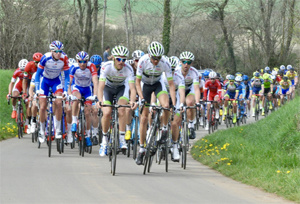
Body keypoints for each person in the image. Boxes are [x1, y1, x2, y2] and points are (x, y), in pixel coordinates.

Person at [135, 41, 176, 165]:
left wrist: (173, 102)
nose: (156, 61)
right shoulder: (142, 61)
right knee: (143, 119)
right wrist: (141, 98)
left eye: (158, 58)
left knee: (166, 105)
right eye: (154, 58)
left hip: (158, 84)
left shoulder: (165, 63)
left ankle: (163, 129)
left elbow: (171, 84)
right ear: (149, 55)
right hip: (145, 86)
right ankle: (141, 149)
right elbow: (137, 82)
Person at [97, 45, 137, 156]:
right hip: (107, 89)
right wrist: (100, 100)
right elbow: (100, 87)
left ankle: (121, 138)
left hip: (121, 89)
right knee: (107, 112)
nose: (121, 62)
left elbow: (132, 89)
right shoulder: (106, 67)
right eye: (119, 59)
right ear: (113, 58)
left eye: (124, 59)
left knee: (122, 109)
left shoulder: (128, 69)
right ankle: (104, 141)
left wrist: (132, 101)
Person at [35, 40, 70, 143]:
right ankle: (41, 130)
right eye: (56, 51)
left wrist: (65, 91)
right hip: (44, 81)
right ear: (51, 51)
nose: (58, 53)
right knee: (42, 106)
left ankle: (58, 130)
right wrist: (37, 90)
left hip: (56, 81)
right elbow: (37, 75)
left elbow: (67, 76)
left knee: (59, 102)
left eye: (60, 51)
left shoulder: (64, 58)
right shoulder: (45, 58)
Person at [69, 51, 98, 146]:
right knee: (76, 98)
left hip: (87, 89)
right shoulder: (73, 67)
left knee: (87, 112)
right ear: (77, 60)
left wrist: (95, 95)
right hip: (77, 87)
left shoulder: (91, 66)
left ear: (87, 61)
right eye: (80, 61)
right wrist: (69, 94)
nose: (82, 63)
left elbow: (95, 81)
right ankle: (74, 122)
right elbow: (68, 82)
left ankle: (88, 135)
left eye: (84, 61)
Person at [176, 51, 200, 138]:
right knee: (178, 108)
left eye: (189, 62)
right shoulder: (176, 71)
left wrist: (197, 102)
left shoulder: (194, 72)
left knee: (190, 102)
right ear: (180, 62)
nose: (186, 64)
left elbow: (196, 89)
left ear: (191, 63)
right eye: (184, 62)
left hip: (189, 89)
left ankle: (191, 125)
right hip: (178, 91)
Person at [22, 52, 43, 133]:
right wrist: (25, 93)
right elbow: (24, 80)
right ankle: (31, 121)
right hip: (31, 81)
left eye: (40, 62)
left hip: (41, 82)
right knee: (30, 102)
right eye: (36, 62)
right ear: (34, 61)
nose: (38, 64)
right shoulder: (29, 66)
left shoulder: (44, 67)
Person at [7, 59, 29, 124]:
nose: (22, 71)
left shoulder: (30, 71)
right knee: (14, 96)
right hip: (19, 84)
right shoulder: (17, 71)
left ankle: (27, 123)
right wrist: (9, 93)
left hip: (27, 85)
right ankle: (14, 109)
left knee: (28, 104)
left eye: (24, 69)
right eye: (21, 69)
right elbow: (12, 83)